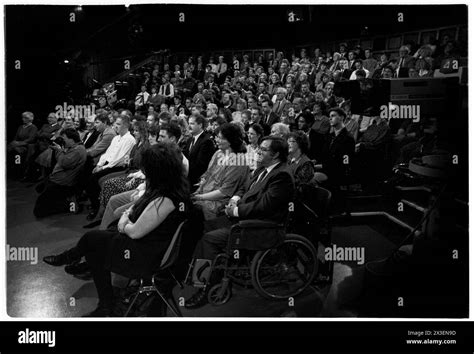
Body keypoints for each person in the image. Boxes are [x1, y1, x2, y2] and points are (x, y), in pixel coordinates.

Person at [43, 143, 190, 317]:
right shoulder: (169, 190)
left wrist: (124, 221)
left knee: (93, 241)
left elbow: (134, 231)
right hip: (147, 245)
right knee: (95, 245)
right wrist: (128, 215)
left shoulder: (165, 199)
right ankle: (100, 296)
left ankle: (74, 260)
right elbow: (137, 213)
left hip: (145, 255)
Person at [184, 136, 294, 309]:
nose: (257, 151)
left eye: (263, 150)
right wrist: (235, 198)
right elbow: (245, 187)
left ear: (276, 155)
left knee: (209, 239)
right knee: (201, 226)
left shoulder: (282, 176)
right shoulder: (262, 168)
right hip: (244, 217)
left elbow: (263, 206)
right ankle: (202, 273)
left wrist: (235, 210)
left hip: (260, 226)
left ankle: (204, 288)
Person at [192, 123, 250, 221]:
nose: (216, 140)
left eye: (221, 138)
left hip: (218, 202)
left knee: (189, 210)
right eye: (217, 137)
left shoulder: (238, 162)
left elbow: (224, 192)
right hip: (204, 194)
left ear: (231, 141)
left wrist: (199, 197)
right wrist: (199, 189)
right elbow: (207, 174)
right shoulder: (218, 153)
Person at [85, 115, 136, 220]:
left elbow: (119, 159)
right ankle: (96, 204)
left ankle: (97, 208)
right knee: (89, 174)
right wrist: (99, 164)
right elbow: (107, 153)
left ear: (126, 126)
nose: (115, 126)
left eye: (118, 124)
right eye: (115, 124)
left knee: (93, 179)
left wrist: (102, 168)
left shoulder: (130, 139)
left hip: (117, 167)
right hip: (108, 164)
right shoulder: (116, 138)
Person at [33, 128, 87, 218]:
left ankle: (69, 205)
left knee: (38, 211)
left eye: (64, 138)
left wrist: (59, 150)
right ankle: (62, 200)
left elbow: (64, 163)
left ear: (71, 139)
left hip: (62, 182)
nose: (62, 140)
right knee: (39, 188)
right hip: (56, 179)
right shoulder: (73, 147)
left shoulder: (78, 150)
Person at [183, 114, 216, 189]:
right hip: (187, 178)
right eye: (188, 123)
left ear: (200, 125)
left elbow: (201, 165)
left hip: (197, 182)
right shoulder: (190, 140)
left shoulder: (207, 141)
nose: (189, 126)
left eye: (192, 123)